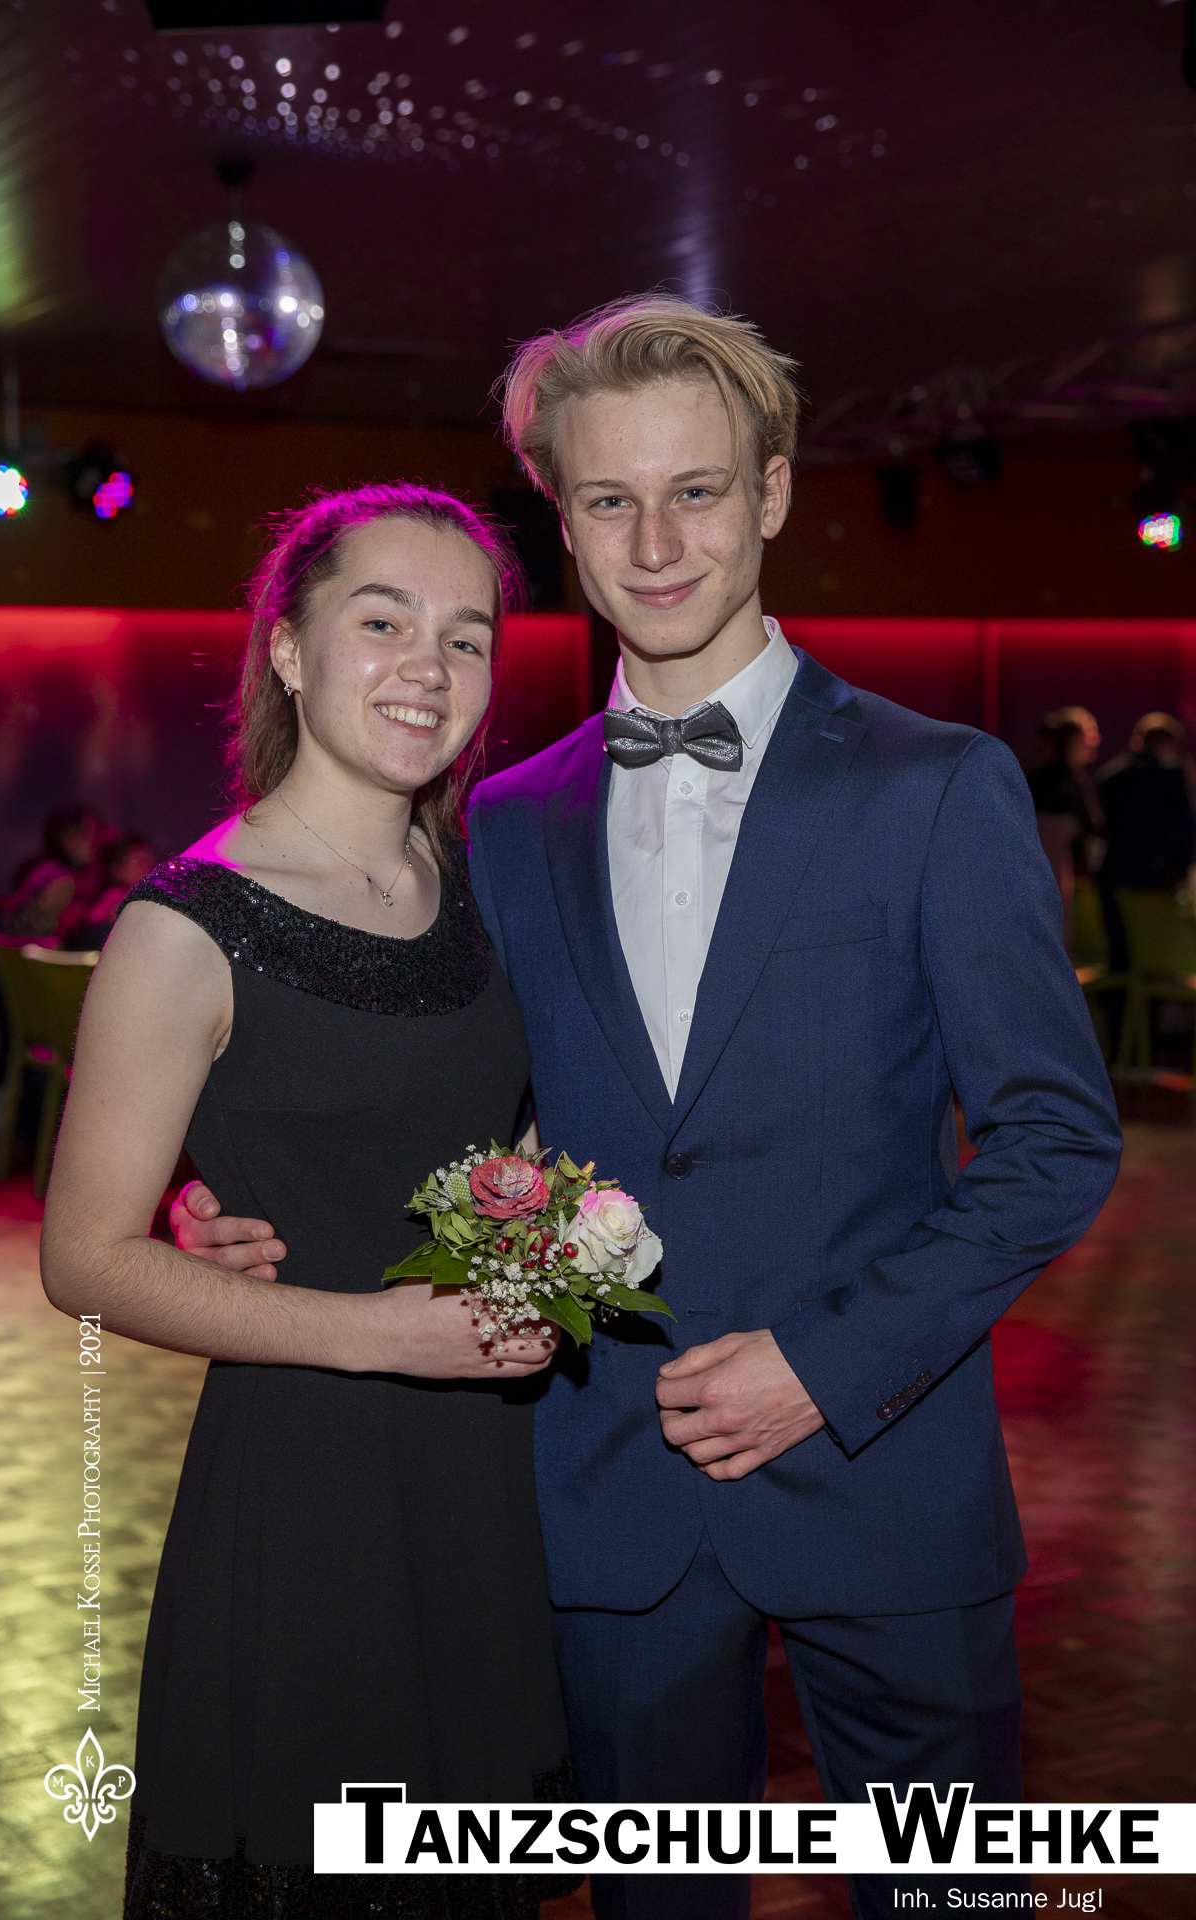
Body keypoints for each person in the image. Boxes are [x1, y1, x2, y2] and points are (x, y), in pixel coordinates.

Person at [177, 298, 1122, 1920]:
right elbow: (459, 1120)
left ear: (773, 493)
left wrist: (824, 1367)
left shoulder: (937, 784)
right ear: (564, 521)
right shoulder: (504, 823)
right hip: (603, 1498)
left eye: (697, 491)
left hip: (889, 1483)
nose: (658, 543)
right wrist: (251, 1205)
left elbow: (1055, 1143)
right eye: (612, 500)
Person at [39, 484, 577, 1920]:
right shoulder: (184, 927)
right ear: (286, 648)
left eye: (466, 638)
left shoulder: (489, 890)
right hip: (309, 1491)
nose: (429, 668)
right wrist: (379, 1331)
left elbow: (518, 1138)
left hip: (490, 1487)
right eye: (382, 622)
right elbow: (82, 1260)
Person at [1096, 712, 1196, 971]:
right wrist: (1179, 871)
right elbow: (1184, 828)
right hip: (1156, 877)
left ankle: (1121, 997)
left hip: (1115, 873)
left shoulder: (1111, 776)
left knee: (1120, 955)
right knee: (1157, 956)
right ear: (1170, 743)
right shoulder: (1170, 777)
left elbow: (1103, 827)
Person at [1024, 708, 1104, 955]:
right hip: (1055, 868)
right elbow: (1095, 825)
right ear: (1073, 742)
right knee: (1055, 927)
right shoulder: (1071, 782)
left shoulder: (1031, 778)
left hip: (1025, 867)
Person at [0, 801, 103, 938]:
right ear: (65, 838)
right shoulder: (56, 877)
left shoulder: (62, 872)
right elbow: (27, 932)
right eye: (86, 835)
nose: (94, 842)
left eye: (96, 834)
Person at [59, 831, 156, 949]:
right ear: (117, 870)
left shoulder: (155, 897)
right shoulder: (112, 898)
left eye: (148, 859)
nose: (148, 866)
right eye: (139, 861)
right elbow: (88, 928)